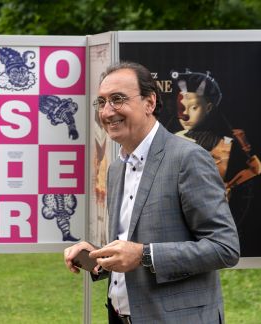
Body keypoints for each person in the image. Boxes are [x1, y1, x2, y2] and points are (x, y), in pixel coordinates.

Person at [63, 62, 240, 323]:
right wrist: (98, 256)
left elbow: (224, 248)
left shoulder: (188, 158)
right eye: (101, 102)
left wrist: (143, 255)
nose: (107, 111)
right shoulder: (116, 169)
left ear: (149, 102)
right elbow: (132, 250)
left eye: (118, 99)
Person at [169, 69, 261, 199]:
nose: (185, 115)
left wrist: (229, 186)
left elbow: (256, 168)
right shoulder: (172, 140)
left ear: (209, 108)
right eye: (181, 108)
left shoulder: (226, 142)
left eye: (194, 107)